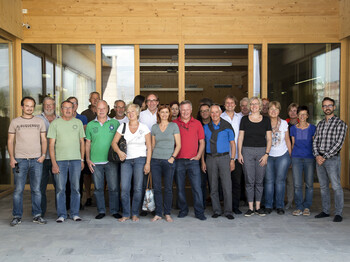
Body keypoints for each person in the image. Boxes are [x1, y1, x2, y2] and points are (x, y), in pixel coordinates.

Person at [8, 96, 47, 226]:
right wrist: (12, 158)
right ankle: (17, 216)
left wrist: (43, 155)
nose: (29, 108)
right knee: (18, 189)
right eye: (27, 106)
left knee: (36, 189)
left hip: (36, 160)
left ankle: (37, 215)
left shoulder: (39, 121)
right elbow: (10, 141)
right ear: (22, 107)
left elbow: (44, 140)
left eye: (32, 106)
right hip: (20, 160)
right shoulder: (15, 122)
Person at [111, 103, 152, 222]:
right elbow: (114, 143)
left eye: (133, 111)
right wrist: (119, 152)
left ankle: (135, 213)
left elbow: (149, 147)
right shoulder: (122, 126)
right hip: (126, 161)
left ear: (138, 113)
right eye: (128, 112)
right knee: (124, 188)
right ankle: (126, 213)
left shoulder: (144, 127)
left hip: (140, 159)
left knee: (138, 188)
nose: (130, 114)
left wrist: (148, 163)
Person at [48, 100, 85, 223]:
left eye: (70, 107)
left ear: (74, 109)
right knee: (60, 189)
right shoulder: (55, 123)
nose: (68, 110)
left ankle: (75, 213)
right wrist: (54, 163)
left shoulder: (78, 122)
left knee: (76, 188)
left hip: (75, 160)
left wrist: (82, 159)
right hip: (60, 161)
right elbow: (51, 145)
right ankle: (62, 214)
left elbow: (82, 142)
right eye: (65, 108)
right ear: (61, 109)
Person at [313, 97, 348, 222]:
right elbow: (315, 140)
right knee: (323, 187)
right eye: (325, 106)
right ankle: (326, 211)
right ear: (322, 108)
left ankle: (338, 213)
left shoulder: (341, 124)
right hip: (319, 159)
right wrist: (317, 155)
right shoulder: (320, 124)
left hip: (332, 159)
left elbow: (339, 144)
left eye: (330, 105)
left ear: (334, 107)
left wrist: (324, 157)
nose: (327, 108)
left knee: (336, 186)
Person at [85, 100, 121, 219]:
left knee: (114, 187)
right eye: (98, 108)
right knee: (98, 188)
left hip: (111, 161)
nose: (101, 110)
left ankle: (114, 210)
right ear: (95, 109)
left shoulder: (115, 123)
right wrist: (88, 159)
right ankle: (101, 211)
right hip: (96, 162)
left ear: (108, 109)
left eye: (103, 108)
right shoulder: (90, 125)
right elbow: (88, 143)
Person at [238, 97, 272, 217]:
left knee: (259, 181)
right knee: (249, 181)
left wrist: (266, 154)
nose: (254, 106)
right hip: (247, 151)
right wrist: (240, 153)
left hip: (261, 152)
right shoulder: (244, 119)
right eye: (251, 104)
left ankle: (258, 207)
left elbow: (269, 139)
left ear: (260, 106)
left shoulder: (266, 120)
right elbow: (240, 137)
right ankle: (250, 207)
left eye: (256, 104)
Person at [173, 100, 206, 220]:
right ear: (179, 111)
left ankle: (199, 212)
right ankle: (183, 210)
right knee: (180, 187)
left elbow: (202, 142)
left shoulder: (197, 123)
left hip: (193, 161)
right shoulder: (174, 123)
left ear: (191, 110)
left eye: (187, 109)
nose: (185, 112)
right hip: (179, 160)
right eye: (183, 109)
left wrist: (198, 156)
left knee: (197, 188)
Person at [202, 104, 235, 220]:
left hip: (224, 158)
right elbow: (203, 145)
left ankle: (228, 211)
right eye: (212, 112)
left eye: (216, 112)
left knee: (227, 185)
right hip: (210, 158)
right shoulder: (206, 127)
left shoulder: (227, 126)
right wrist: (203, 161)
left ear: (220, 113)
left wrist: (232, 160)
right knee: (213, 185)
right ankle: (216, 210)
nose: (214, 114)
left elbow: (233, 144)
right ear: (210, 114)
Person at [150, 105, 181, 222]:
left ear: (169, 114)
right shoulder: (154, 127)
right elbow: (152, 145)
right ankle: (158, 213)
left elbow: (178, 145)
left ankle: (167, 213)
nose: (164, 114)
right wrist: (149, 160)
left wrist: (172, 157)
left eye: (166, 112)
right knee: (157, 188)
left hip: (169, 160)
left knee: (168, 188)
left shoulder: (174, 126)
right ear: (158, 114)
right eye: (162, 112)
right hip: (155, 160)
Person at [264, 101, 292, 215]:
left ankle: (280, 206)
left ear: (279, 111)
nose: (273, 111)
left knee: (280, 181)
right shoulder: (264, 122)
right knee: (269, 181)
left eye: (276, 109)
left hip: (282, 155)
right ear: (268, 110)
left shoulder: (284, 123)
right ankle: (268, 205)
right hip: (268, 156)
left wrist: (290, 156)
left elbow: (287, 140)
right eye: (271, 109)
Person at [290, 106, 316, 216]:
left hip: (309, 158)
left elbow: (315, 144)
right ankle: (299, 207)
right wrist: (291, 159)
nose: (302, 116)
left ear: (308, 116)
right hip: (296, 158)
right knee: (297, 184)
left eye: (305, 114)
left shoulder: (313, 128)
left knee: (309, 184)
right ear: (297, 115)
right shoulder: (292, 129)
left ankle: (307, 207)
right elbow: (292, 144)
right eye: (300, 114)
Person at [37, 96, 60, 217]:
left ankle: (60, 212)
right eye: (46, 105)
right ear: (43, 106)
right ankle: (40, 212)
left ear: (54, 105)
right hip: (41, 158)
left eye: (51, 104)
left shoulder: (60, 119)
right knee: (41, 187)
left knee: (59, 187)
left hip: (57, 158)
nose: (49, 107)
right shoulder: (36, 119)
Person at [221, 95, 243, 214]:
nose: (229, 105)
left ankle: (235, 206)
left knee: (236, 182)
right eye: (227, 103)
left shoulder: (241, 118)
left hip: (237, 155)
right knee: (224, 182)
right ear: (224, 105)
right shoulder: (220, 117)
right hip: (224, 155)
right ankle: (226, 206)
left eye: (232, 103)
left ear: (235, 104)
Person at [139, 93, 159, 216]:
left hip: (158, 151)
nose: (151, 103)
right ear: (146, 103)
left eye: (154, 100)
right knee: (143, 180)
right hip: (143, 151)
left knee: (155, 180)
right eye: (149, 101)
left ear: (157, 102)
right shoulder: (141, 115)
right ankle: (145, 206)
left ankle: (155, 207)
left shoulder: (162, 114)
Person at [81, 92, 100, 207]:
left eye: (97, 98)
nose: (95, 100)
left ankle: (100, 194)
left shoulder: (104, 112)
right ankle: (88, 195)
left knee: (101, 173)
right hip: (88, 146)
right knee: (87, 174)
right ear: (89, 100)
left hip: (100, 148)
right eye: (93, 98)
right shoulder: (84, 114)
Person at [197, 103, 211, 208]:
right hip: (201, 155)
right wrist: (202, 160)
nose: (204, 113)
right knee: (201, 181)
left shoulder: (215, 123)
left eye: (206, 110)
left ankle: (214, 202)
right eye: (202, 111)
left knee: (213, 181)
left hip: (213, 156)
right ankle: (202, 204)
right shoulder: (198, 124)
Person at [285, 102, 299, 210]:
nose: (293, 113)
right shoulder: (284, 123)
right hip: (287, 155)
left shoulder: (303, 124)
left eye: (295, 110)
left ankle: (300, 202)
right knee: (289, 180)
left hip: (300, 156)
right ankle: (289, 201)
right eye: (291, 110)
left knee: (299, 181)